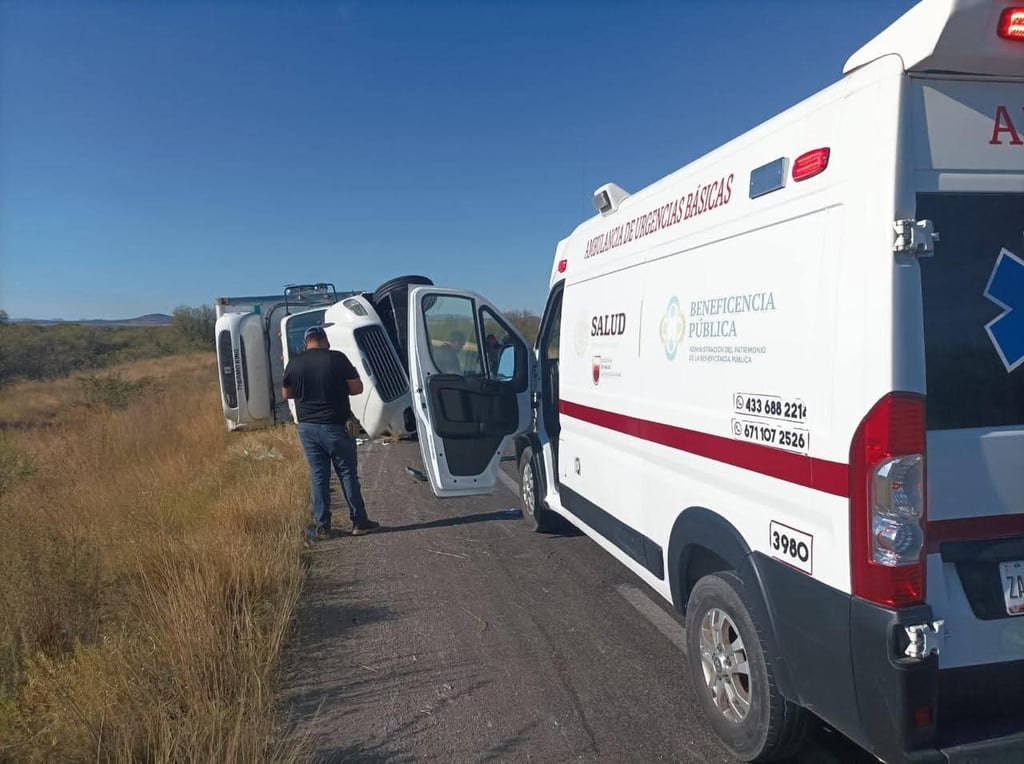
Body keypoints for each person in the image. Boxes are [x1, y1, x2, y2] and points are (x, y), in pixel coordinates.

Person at [282, 325, 379, 538]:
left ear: (306, 342)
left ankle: (323, 526)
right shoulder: (337, 358)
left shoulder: (295, 362)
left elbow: (287, 393)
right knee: (347, 473)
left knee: (319, 476)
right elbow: (357, 388)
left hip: (307, 428)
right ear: (324, 340)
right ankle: (359, 521)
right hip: (336, 426)